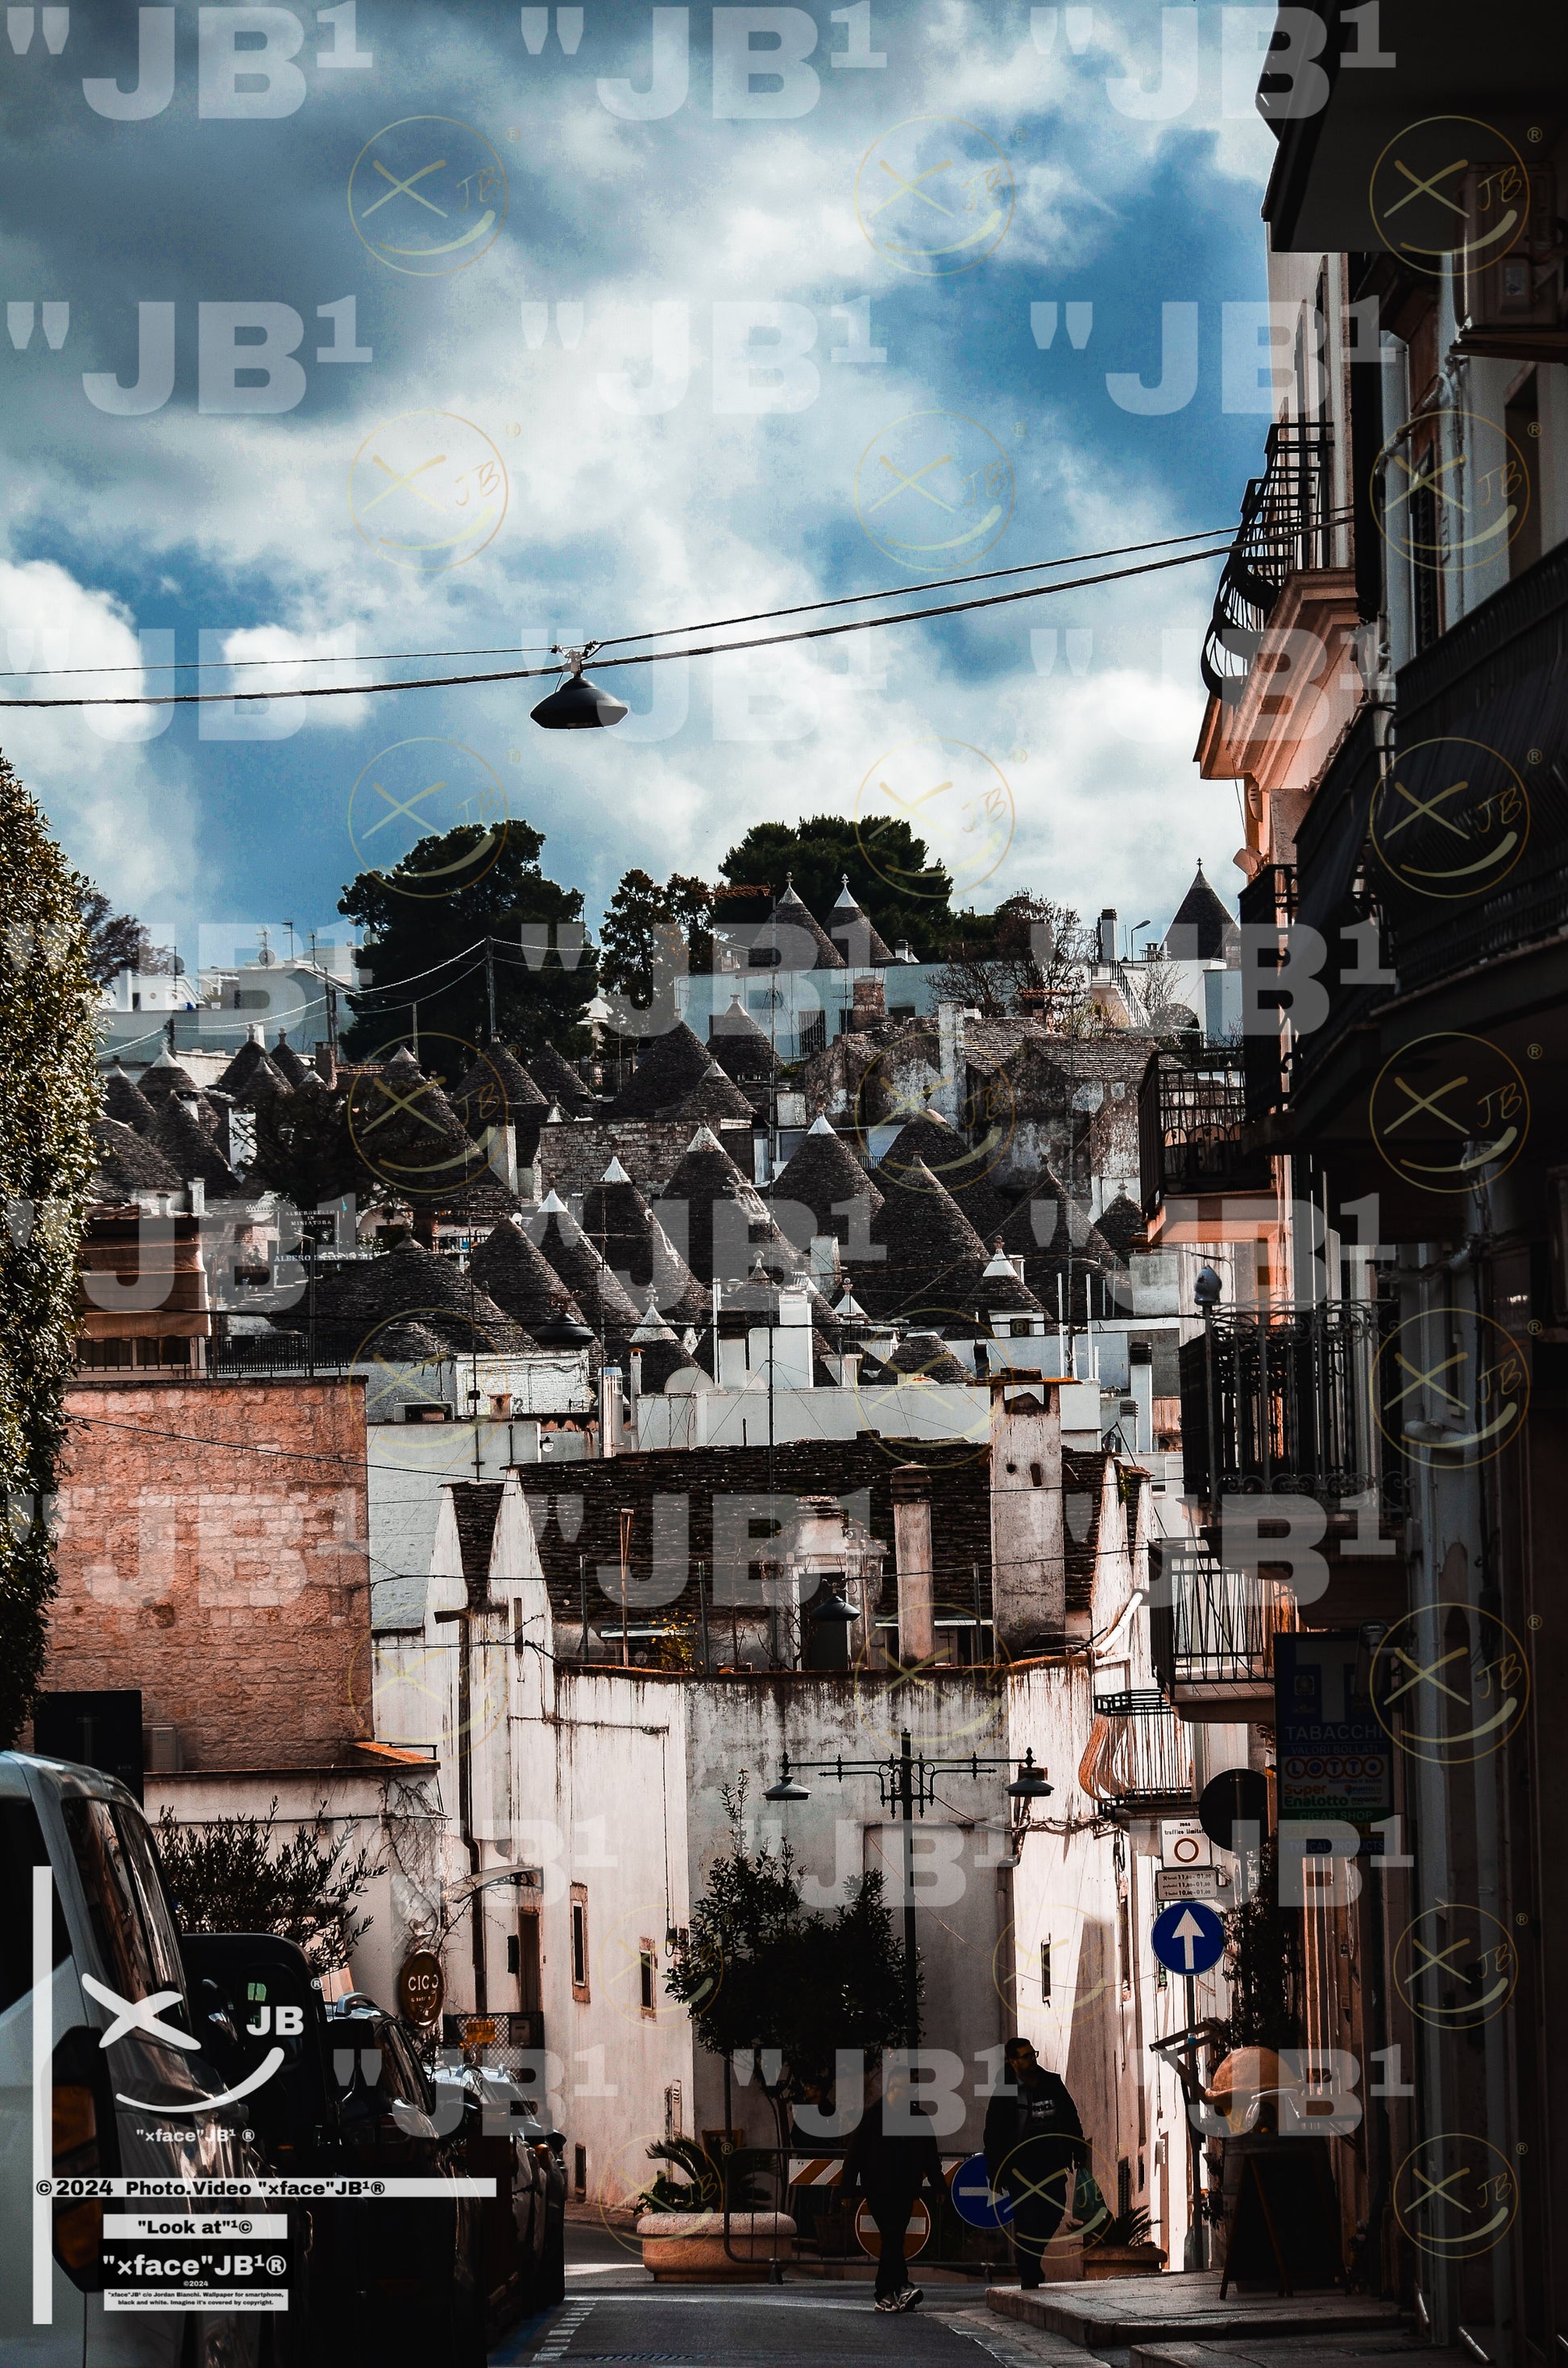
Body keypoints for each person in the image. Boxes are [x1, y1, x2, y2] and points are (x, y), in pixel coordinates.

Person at [841, 2062, 946, 2312]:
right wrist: (847, 2190)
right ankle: (892, 2289)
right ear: (892, 2088)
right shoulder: (873, 2116)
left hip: (905, 2188)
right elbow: (854, 2155)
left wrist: (939, 2186)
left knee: (894, 2238)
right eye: (906, 2089)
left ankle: (896, 2288)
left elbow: (930, 2157)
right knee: (892, 2235)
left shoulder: (918, 2118)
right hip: (878, 2188)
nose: (910, 2094)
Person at [982, 2035, 1085, 2289]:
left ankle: (1029, 2258)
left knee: (1054, 2210)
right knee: (1028, 2217)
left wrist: (1078, 2150)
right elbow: (993, 2134)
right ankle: (1028, 2271)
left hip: (1052, 2162)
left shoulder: (1052, 2083)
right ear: (1012, 2061)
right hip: (1020, 2167)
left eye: (1033, 2054)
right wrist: (995, 2172)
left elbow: (1070, 2117)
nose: (1032, 2060)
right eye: (1026, 2056)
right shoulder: (1005, 2091)